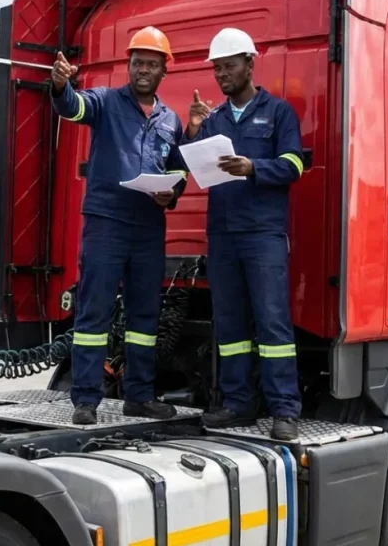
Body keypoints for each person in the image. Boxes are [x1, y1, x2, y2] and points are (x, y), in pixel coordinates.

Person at [50, 26, 188, 425]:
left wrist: (173, 193)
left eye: (151, 64)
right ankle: (86, 399)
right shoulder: (106, 102)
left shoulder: (170, 119)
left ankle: (139, 397)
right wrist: (61, 86)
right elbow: (73, 107)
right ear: (128, 66)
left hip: (148, 227)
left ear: (165, 70)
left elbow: (177, 168)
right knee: (95, 313)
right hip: (107, 222)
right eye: (137, 62)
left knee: (145, 318)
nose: (143, 69)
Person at [184, 27, 304, 441]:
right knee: (231, 325)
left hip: (263, 235)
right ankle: (238, 404)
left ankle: (284, 410)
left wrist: (254, 168)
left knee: (272, 325)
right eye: (216, 69)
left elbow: (293, 165)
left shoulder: (279, 112)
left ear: (250, 64)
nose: (221, 76)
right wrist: (194, 132)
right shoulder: (213, 119)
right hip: (223, 236)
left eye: (229, 67)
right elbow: (195, 169)